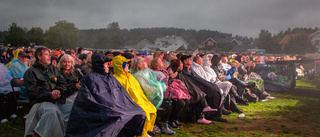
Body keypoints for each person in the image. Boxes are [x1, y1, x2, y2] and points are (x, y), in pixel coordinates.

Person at [66, 54, 146, 137]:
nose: (108, 66)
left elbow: (121, 95)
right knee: (119, 117)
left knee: (139, 112)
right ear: (100, 64)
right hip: (99, 110)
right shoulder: (90, 78)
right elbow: (89, 100)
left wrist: (123, 106)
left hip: (115, 107)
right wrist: (111, 107)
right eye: (106, 64)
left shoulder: (110, 77)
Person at [23, 47, 68, 137]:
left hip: (57, 100)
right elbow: (33, 92)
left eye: (49, 54)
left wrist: (58, 90)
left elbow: (63, 83)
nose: (49, 57)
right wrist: (50, 95)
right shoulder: (31, 72)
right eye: (47, 54)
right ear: (39, 56)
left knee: (72, 109)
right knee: (53, 112)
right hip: (40, 102)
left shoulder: (53, 69)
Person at [113, 56, 157, 137]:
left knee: (152, 110)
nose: (128, 66)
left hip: (139, 101)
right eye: (126, 65)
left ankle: (143, 132)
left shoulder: (130, 76)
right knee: (144, 113)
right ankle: (140, 134)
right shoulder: (117, 79)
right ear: (120, 67)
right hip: (129, 105)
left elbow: (138, 91)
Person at [131, 57, 176, 135]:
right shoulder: (138, 75)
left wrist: (160, 81)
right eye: (143, 61)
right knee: (167, 104)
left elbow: (157, 78)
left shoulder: (146, 72)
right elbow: (148, 90)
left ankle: (162, 124)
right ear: (138, 64)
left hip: (153, 96)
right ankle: (161, 125)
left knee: (169, 101)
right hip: (147, 99)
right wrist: (158, 84)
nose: (146, 62)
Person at [180, 55, 227, 122]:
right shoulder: (184, 72)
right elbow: (192, 81)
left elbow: (199, 78)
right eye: (189, 59)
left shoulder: (190, 70)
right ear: (184, 61)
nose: (191, 60)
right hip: (195, 87)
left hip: (199, 85)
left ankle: (217, 114)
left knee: (215, 89)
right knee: (212, 91)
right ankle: (214, 115)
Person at [56, 54, 83, 122]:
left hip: (76, 96)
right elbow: (62, 88)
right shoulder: (58, 73)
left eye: (69, 62)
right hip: (65, 99)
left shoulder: (76, 72)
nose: (67, 64)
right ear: (61, 63)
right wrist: (75, 87)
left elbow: (82, 80)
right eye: (64, 62)